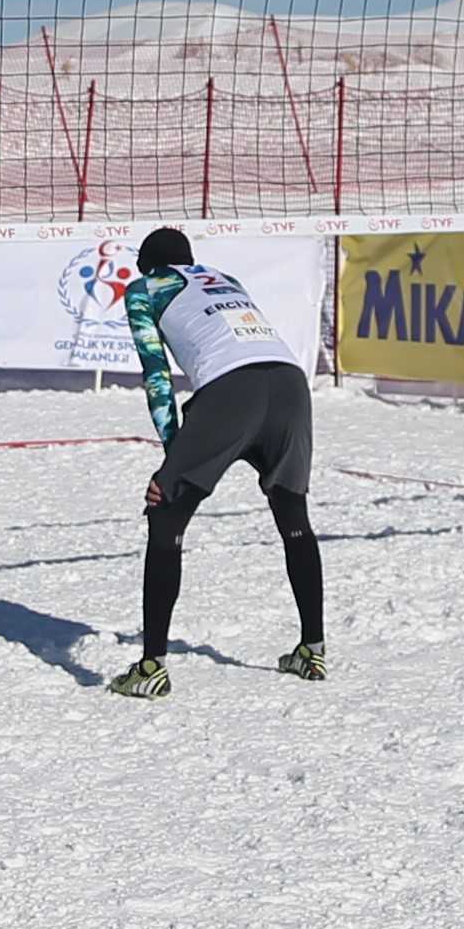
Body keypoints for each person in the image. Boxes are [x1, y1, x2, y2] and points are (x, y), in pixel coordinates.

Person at [103, 227, 325, 698]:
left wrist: (173, 460)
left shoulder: (145, 288)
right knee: (293, 517)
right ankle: (311, 647)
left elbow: (156, 374)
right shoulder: (224, 278)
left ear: (148, 265)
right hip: (289, 385)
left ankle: (151, 666)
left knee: (165, 514)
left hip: (231, 393)